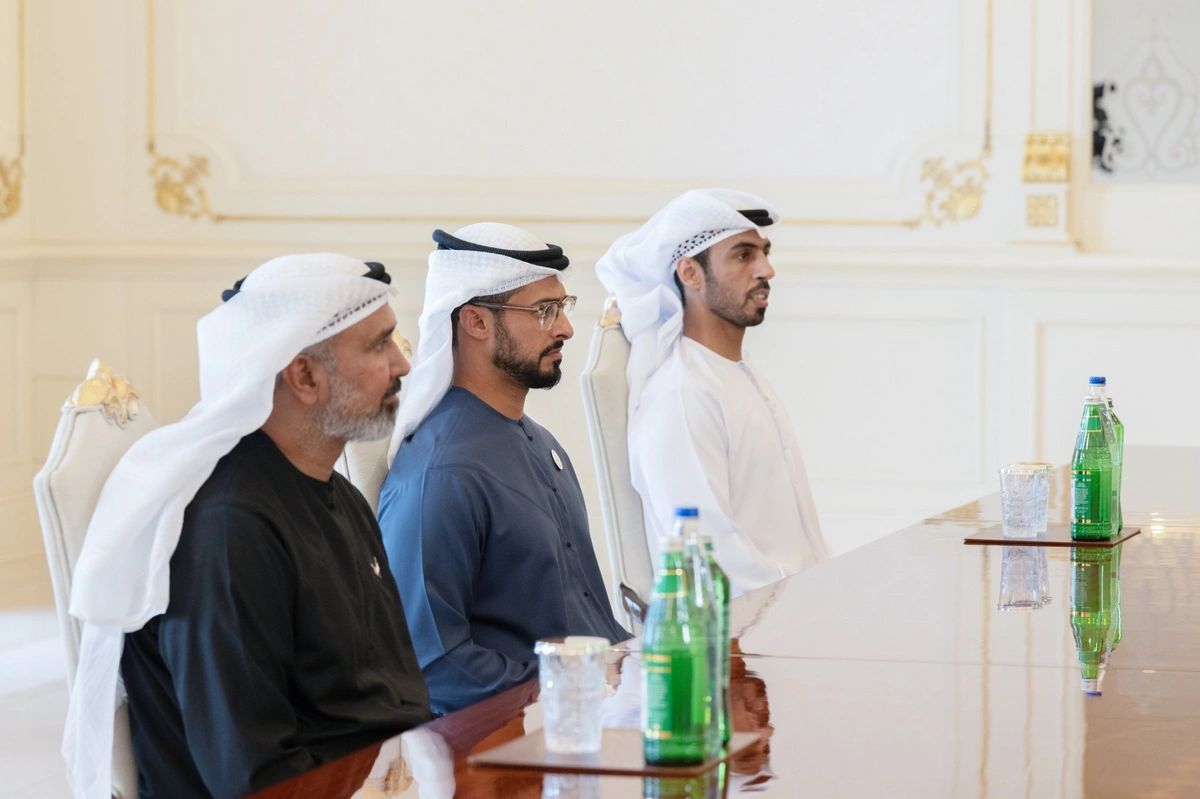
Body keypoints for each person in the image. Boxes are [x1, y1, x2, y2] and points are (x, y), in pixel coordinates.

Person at [65, 255, 432, 799]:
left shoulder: (337, 493)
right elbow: (254, 775)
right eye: (379, 346)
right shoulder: (230, 529)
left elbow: (385, 696)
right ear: (304, 376)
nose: (403, 364)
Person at [379, 223, 629, 714]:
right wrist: (574, 688)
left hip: (591, 712)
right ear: (475, 321)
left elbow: (586, 619)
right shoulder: (443, 472)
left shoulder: (542, 444)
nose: (565, 328)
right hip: (517, 738)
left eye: (563, 306)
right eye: (543, 311)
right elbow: (431, 665)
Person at [596, 189, 832, 596]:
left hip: (801, 609)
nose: (767, 269)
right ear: (690, 273)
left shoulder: (739, 375)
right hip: (756, 626)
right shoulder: (681, 395)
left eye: (765, 252)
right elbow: (711, 559)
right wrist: (806, 606)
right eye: (743, 255)